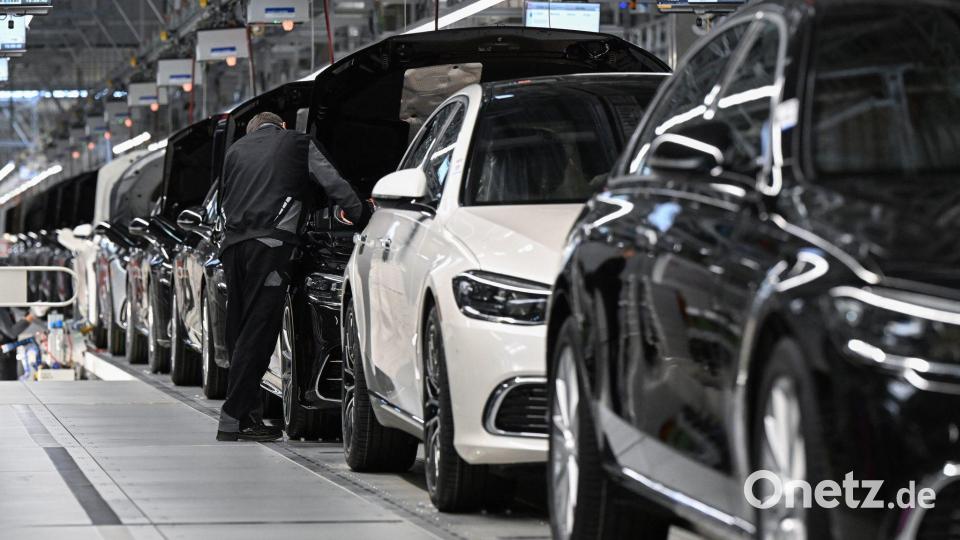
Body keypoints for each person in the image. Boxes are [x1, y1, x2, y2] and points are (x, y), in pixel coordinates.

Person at [216, 111, 367, 442]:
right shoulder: (298, 142)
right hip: (270, 246)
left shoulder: (235, 150)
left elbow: (223, 200)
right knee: (260, 329)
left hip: (232, 248)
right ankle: (231, 418)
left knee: (239, 331)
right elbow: (334, 183)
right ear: (283, 125)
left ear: (254, 130)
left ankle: (246, 417)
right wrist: (363, 216)